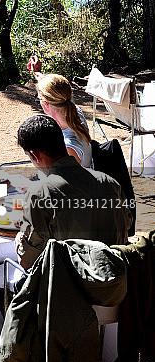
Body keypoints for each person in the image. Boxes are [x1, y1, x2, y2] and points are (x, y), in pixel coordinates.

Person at [15, 115, 131, 270]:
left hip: (71, 288)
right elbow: (127, 224)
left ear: (35, 155)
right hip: (116, 283)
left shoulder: (40, 194)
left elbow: (28, 262)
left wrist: (19, 238)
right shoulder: (110, 183)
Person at [27, 55, 92, 166]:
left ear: (45, 103)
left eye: (38, 99)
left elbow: (62, 181)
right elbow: (55, 88)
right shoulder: (75, 112)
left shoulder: (68, 147)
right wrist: (37, 72)